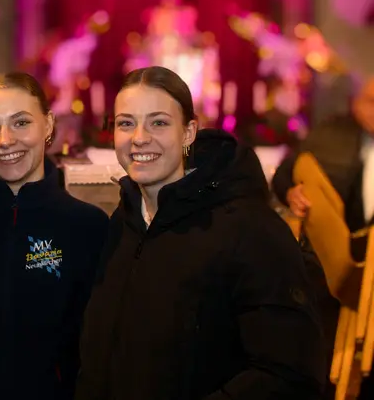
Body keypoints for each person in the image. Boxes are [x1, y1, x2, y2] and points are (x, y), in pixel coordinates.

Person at [75, 66, 326, 400]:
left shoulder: (250, 228)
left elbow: (287, 371)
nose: (139, 137)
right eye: (126, 123)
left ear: (189, 132)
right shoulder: (124, 222)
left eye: (159, 123)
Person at [0, 72, 109, 400]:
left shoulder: (88, 226)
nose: (5, 140)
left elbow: (98, 347)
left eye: (21, 123)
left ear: (48, 125)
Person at [272, 75, 374, 399]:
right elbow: (287, 172)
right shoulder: (330, 133)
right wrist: (292, 191)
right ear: (356, 103)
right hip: (331, 276)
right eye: (371, 102)